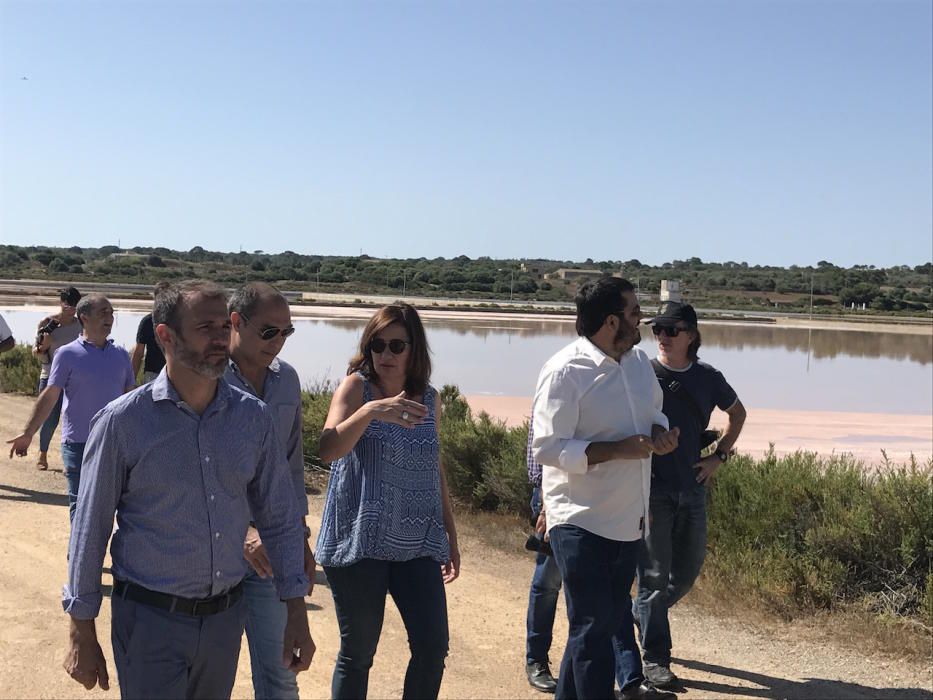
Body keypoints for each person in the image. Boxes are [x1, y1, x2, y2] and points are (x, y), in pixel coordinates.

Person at [60, 280, 315, 699]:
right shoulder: (122, 423)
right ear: (165, 336)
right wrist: (81, 630)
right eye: (205, 327)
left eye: (222, 327)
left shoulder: (253, 419)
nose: (220, 338)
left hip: (223, 620)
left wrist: (296, 609)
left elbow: (279, 516)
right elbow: (89, 533)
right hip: (150, 621)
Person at [531, 277, 679, 700]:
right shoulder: (565, 371)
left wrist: (661, 434)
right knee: (594, 626)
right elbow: (547, 446)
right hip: (578, 518)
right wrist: (615, 450)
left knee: (598, 623)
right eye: (635, 313)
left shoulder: (637, 364)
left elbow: (656, 415)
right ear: (611, 320)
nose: (641, 321)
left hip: (628, 519)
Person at [316, 303, 460, 700]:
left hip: (417, 543)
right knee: (358, 654)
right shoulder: (355, 389)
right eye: (378, 345)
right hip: (360, 541)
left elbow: (435, 467)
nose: (386, 355)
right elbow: (328, 449)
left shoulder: (429, 400)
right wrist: (372, 411)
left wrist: (450, 532)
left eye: (397, 345)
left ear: (415, 350)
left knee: (433, 648)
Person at [618, 302, 746, 691]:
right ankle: (655, 660)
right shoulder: (643, 372)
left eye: (671, 330)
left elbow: (738, 414)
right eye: (657, 329)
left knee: (687, 573)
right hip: (650, 489)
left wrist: (718, 458)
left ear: (691, 334)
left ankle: (638, 615)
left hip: (692, 488)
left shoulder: (708, 377)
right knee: (654, 578)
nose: (662, 337)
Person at [227, 282, 316, 700]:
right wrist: (242, 534)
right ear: (235, 323)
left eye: (287, 333)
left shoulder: (287, 381)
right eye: (269, 332)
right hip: (213, 555)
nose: (278, 342)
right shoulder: (204, 379)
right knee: (209, 677)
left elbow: (291, 467)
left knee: (281, 672)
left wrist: (298, 538)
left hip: (274, 548)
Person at [8, 294, 135, 520]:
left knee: (114, 510)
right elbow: (50, 395)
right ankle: (77, 556)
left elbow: (130, 399)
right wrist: (28, 433)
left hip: (114, 444)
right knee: (81, 508)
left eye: (112, 313)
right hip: (78, 444)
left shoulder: (122, 356)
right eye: (103, 312)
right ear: (84, 317)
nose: (110, 317)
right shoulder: (67, 354)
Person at [523, 414, 561, 693]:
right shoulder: (557, 379)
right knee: (548, 582)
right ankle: (536, 659)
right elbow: (543, 457)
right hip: (553, 495)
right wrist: (547, 507)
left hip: (591, 497)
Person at [32, 286, 83, 469]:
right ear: (61, 303)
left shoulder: (81, 325)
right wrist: (44, 346)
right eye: (67, 305)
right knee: (50, 418)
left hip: (76, 379)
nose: (70, 309)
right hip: (51, 376)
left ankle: (76, 457)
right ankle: (42, 454)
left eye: (74, 306)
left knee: (77, 417)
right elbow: (36, 353)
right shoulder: (47, 323)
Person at [132, 283, 169, 384]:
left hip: (175, 373)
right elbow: (138, 353)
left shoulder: (178, 321)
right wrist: (130, 381)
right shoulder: (148, 321)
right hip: (153, 374)